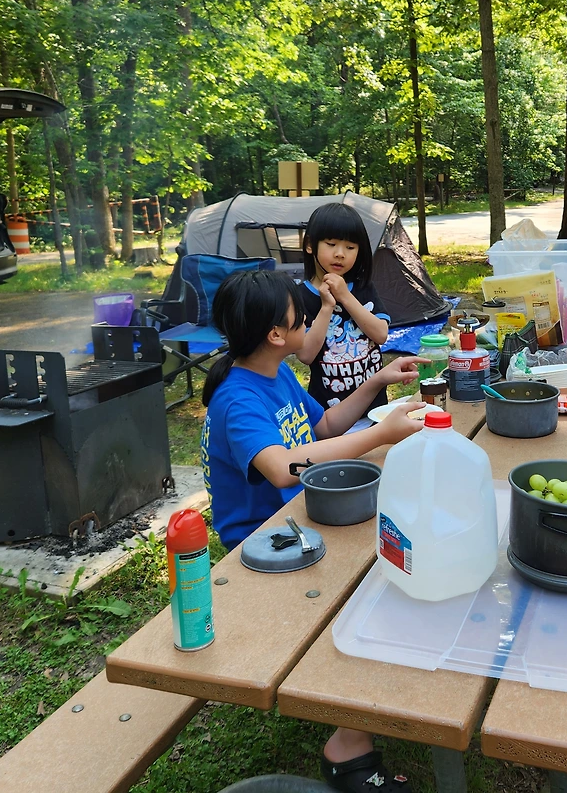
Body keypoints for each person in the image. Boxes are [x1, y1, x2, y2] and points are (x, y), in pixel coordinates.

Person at [200, 268, 427, 793]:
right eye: (301, 318)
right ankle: (348, 742)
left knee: (403, 544)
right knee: (381, 585)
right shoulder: (237, 398)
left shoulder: (274, 371)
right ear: (276, 334)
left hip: (301, 518)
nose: (308, 323)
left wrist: (377, 383)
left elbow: (323, 428)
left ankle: (369, 704)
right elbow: (282, 468)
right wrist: (379, 438)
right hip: (264, 545)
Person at [297, 203, 391, 412]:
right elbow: (305, 355)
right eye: (331, 244)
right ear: (310, 245)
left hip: (374, 408)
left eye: (350, 247)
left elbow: (381, 335)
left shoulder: (363, 287)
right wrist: (326, 307)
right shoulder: (300, 297)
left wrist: (345, 296)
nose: (340, 254)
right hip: (329, 414)